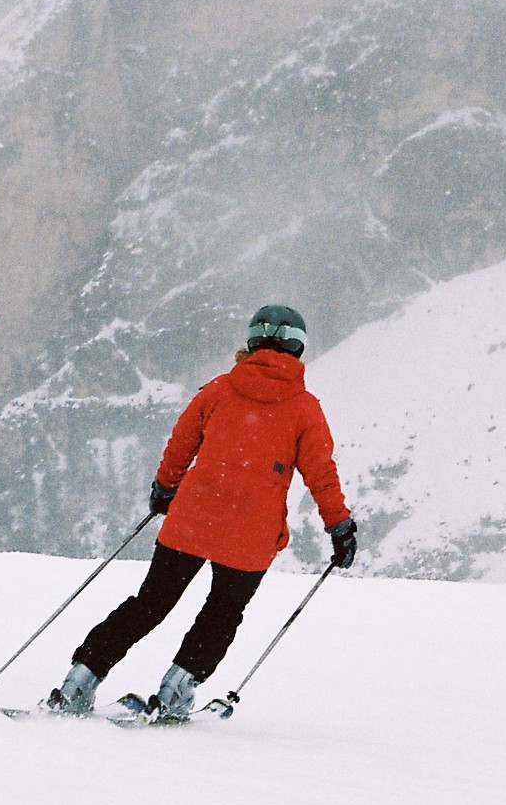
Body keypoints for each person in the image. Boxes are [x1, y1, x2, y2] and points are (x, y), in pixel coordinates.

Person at [45, 304, 357, 720]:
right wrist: (339, 527)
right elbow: (322, 474)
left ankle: (79, 681)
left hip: (192, 519)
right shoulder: (304, 409)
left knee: (150, 604)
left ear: (252, 340)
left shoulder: (219, 389)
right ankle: (174, 694)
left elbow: (181, 443)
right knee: (222, 613)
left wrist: (165, 487)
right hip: (250, 535)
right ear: (298, 348)